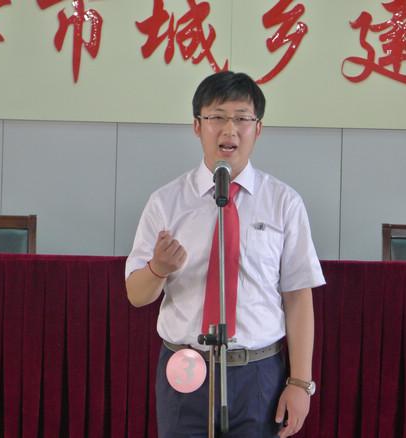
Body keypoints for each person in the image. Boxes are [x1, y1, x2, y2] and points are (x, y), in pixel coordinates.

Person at [125, 71, 325, 437]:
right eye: (216, 117)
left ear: (257, 129)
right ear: (197, 126)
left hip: (258, 373)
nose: (229, 129)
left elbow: (298, 296)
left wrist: (300, 382)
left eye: (241, 118)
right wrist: (158, 269)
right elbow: (136, 295)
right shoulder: (166, 202)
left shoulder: (283, 202)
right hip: (185, 369)